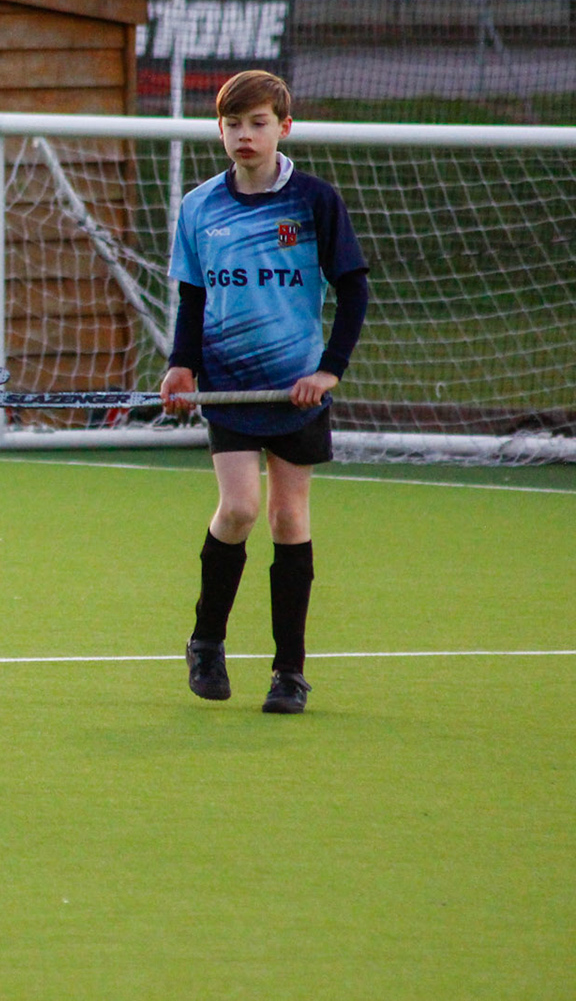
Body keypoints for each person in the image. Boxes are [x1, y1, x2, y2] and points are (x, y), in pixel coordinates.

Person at [160, 70, 369, 715]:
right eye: (233, 124)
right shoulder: (200, 207)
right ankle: (206, 642)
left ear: (284, 127)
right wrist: (181, 366)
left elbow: (353, 289)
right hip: (229, 385)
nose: (245, 135)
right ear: (220, 130)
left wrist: (328, 371)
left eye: (258, 123)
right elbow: (192, 296)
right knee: (239, 509)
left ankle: (289, 672)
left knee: (288, 518)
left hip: (296, 387)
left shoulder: (315, 201)